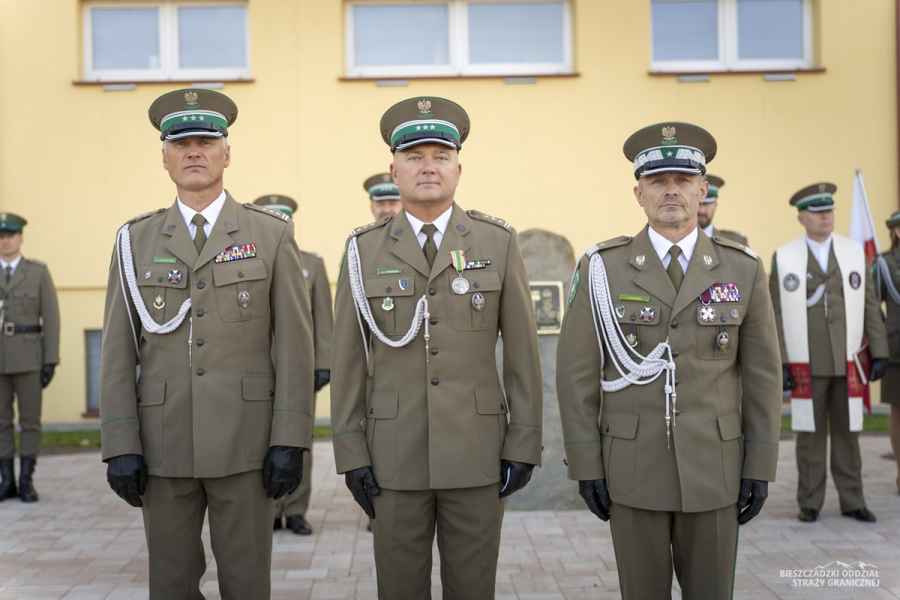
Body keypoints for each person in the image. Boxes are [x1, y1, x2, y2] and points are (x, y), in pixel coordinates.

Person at [99, 88, 315, 599]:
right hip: (163, 443)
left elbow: (294, 347)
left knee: (246, 582)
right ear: (165, 158)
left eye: (205, 142)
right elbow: (117, 352)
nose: (194, 153)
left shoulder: (270, 235)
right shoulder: (135, 241)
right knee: (170, 584)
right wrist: (120, 444)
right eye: (181, 144)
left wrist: (290, 439)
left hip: (247, 443)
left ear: (227, 153)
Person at [557, 122, 782, 599]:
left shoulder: (742, 268)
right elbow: (576, 375)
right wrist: (585, 464)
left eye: (683, 180)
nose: (671, 191)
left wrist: (760, 464)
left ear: (703, 189)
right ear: (638, 193)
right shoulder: (602, 268)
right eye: (658, 181)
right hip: (632, 469)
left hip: (715, 468)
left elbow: (763, 377)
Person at [330, 96, 543, 599]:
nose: (428, 167)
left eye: (440, 156)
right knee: (399, 588)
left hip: (476, 450)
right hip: (392, 455)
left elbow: (522, 356)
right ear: (394, 170)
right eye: (414, 156)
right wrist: (350, 451)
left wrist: (523, 443)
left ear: (458, 169)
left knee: (473, 587)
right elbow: (348, 360)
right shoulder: (363, 250)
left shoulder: (496, 242)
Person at [771, 183, 889, 523]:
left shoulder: (853, 253)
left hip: (847, 358)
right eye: (818, 212)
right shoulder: (786, 257)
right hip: (806, 360)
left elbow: (869, 304)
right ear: (801, 218)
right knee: (808, 435)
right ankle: (809, 501)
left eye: (829, 211)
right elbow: (776, 313)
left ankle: (853, 500)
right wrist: (782, 361)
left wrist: (879, 350)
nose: (826, 217)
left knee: (848, 433)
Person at [253, 194, 334, 535]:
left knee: (299, 439)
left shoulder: (310, 264)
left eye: (284, 219)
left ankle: (297, 509)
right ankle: (270, 509)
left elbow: (323, 316)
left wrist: (323, 362)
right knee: (260, 440)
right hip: (258, 370)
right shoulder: (246, 262)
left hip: (300, 368)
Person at [0, 212, 60, 503]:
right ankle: (6, 481)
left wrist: (50, 359)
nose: (5, 241)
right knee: (0, 422)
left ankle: (26, 481)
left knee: (30, 422)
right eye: (1, 236)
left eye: (10, 235)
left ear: (20, 237)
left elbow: (51, 317)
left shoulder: (37, 272)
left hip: (29, 358)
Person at [875, 209, 900, 494]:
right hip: (897, 347)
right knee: (898, 412)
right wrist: (884, 332)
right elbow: (872, 304)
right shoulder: (884, 263)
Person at [699, 174, 749, 246]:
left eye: (707, 204)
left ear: (715, 204)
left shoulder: (736, 242)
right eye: (698, 204)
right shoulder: (680, 238)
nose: (702, 210)